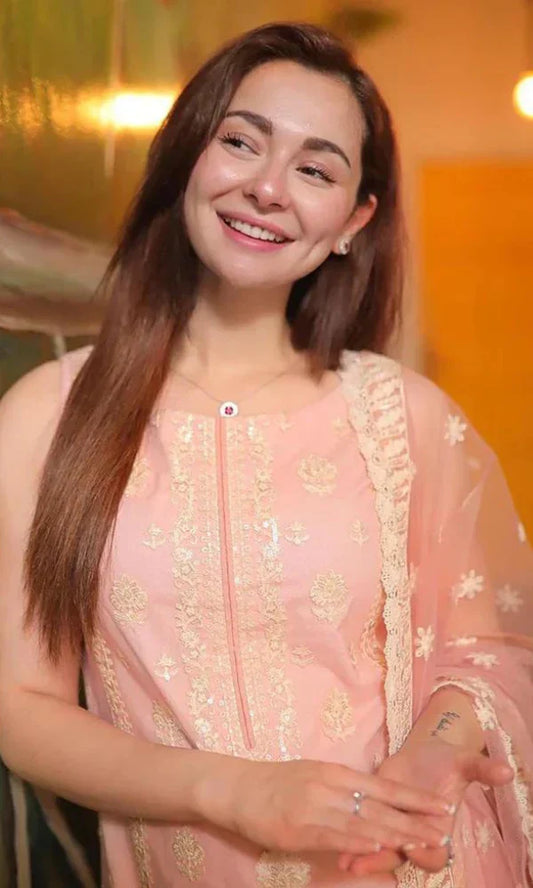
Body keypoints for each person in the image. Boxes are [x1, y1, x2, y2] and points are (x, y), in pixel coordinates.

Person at [0, 21, 531, 888]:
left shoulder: (402, 419)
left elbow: (489, 649)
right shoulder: (46, 417)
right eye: (241, 143)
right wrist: (232, 792)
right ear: (186, 158)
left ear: (353, 220)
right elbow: (22, 710)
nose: (268, 188)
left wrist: (434, 754)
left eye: (315, 170)